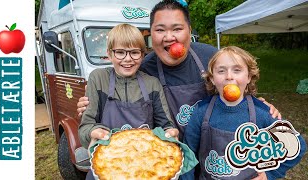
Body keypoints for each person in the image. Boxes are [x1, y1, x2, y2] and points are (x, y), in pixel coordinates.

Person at [77, 0, 281, 141]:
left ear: (189, 32)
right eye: (160, 30)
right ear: (151, 34)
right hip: (166, 157)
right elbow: (120, 93)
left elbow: (237, 88)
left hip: (212, 154)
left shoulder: (212, 58)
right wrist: (91, 106)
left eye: (177, 29)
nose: (168, 37)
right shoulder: (143, 68)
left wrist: (257, 104)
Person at [182, 46, 306, 180]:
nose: (229, 76)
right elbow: (188, 153)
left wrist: (270, 175)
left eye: (237, 70)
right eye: (221, 71)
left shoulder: (262, 113)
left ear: (248, 77)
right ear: (212, 78)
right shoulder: (201, 111)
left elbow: (297, 146)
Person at [78, 23, 179, 152]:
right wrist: (92, 133)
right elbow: (85, 127)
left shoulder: (152, 84)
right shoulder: (98, 79)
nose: (128, 59)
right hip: (107, 159)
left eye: (134, 53)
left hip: (144, 158)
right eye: (120, 52)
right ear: (109, 54)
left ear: (142, 55)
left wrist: (170, 133)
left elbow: (165, 125)